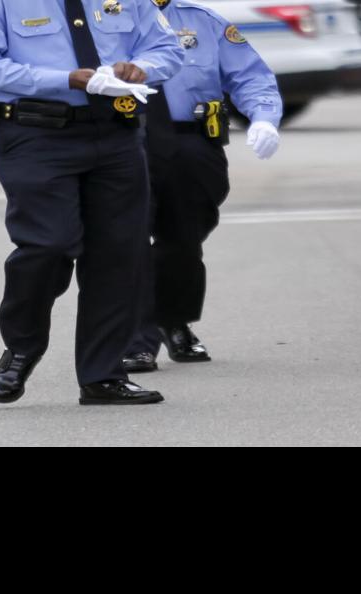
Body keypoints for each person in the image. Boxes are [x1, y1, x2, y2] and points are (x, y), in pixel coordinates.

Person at [0, 0, 185, 405]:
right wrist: (63, 79)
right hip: (32, 132)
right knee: (48, 244)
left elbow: (167, 48)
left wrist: (140, 68)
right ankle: (22, 347)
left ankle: (102, 376)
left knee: (118, 254)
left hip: (116, 134)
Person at [121, 0, 281, 374]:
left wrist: (263, 117)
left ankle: (174, 319)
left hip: (190, 142)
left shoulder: (202, 21)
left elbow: (249, 75)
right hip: (124, 141)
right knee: (125, 239)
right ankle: (136, 339)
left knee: (184, 238)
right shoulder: (101, 15)